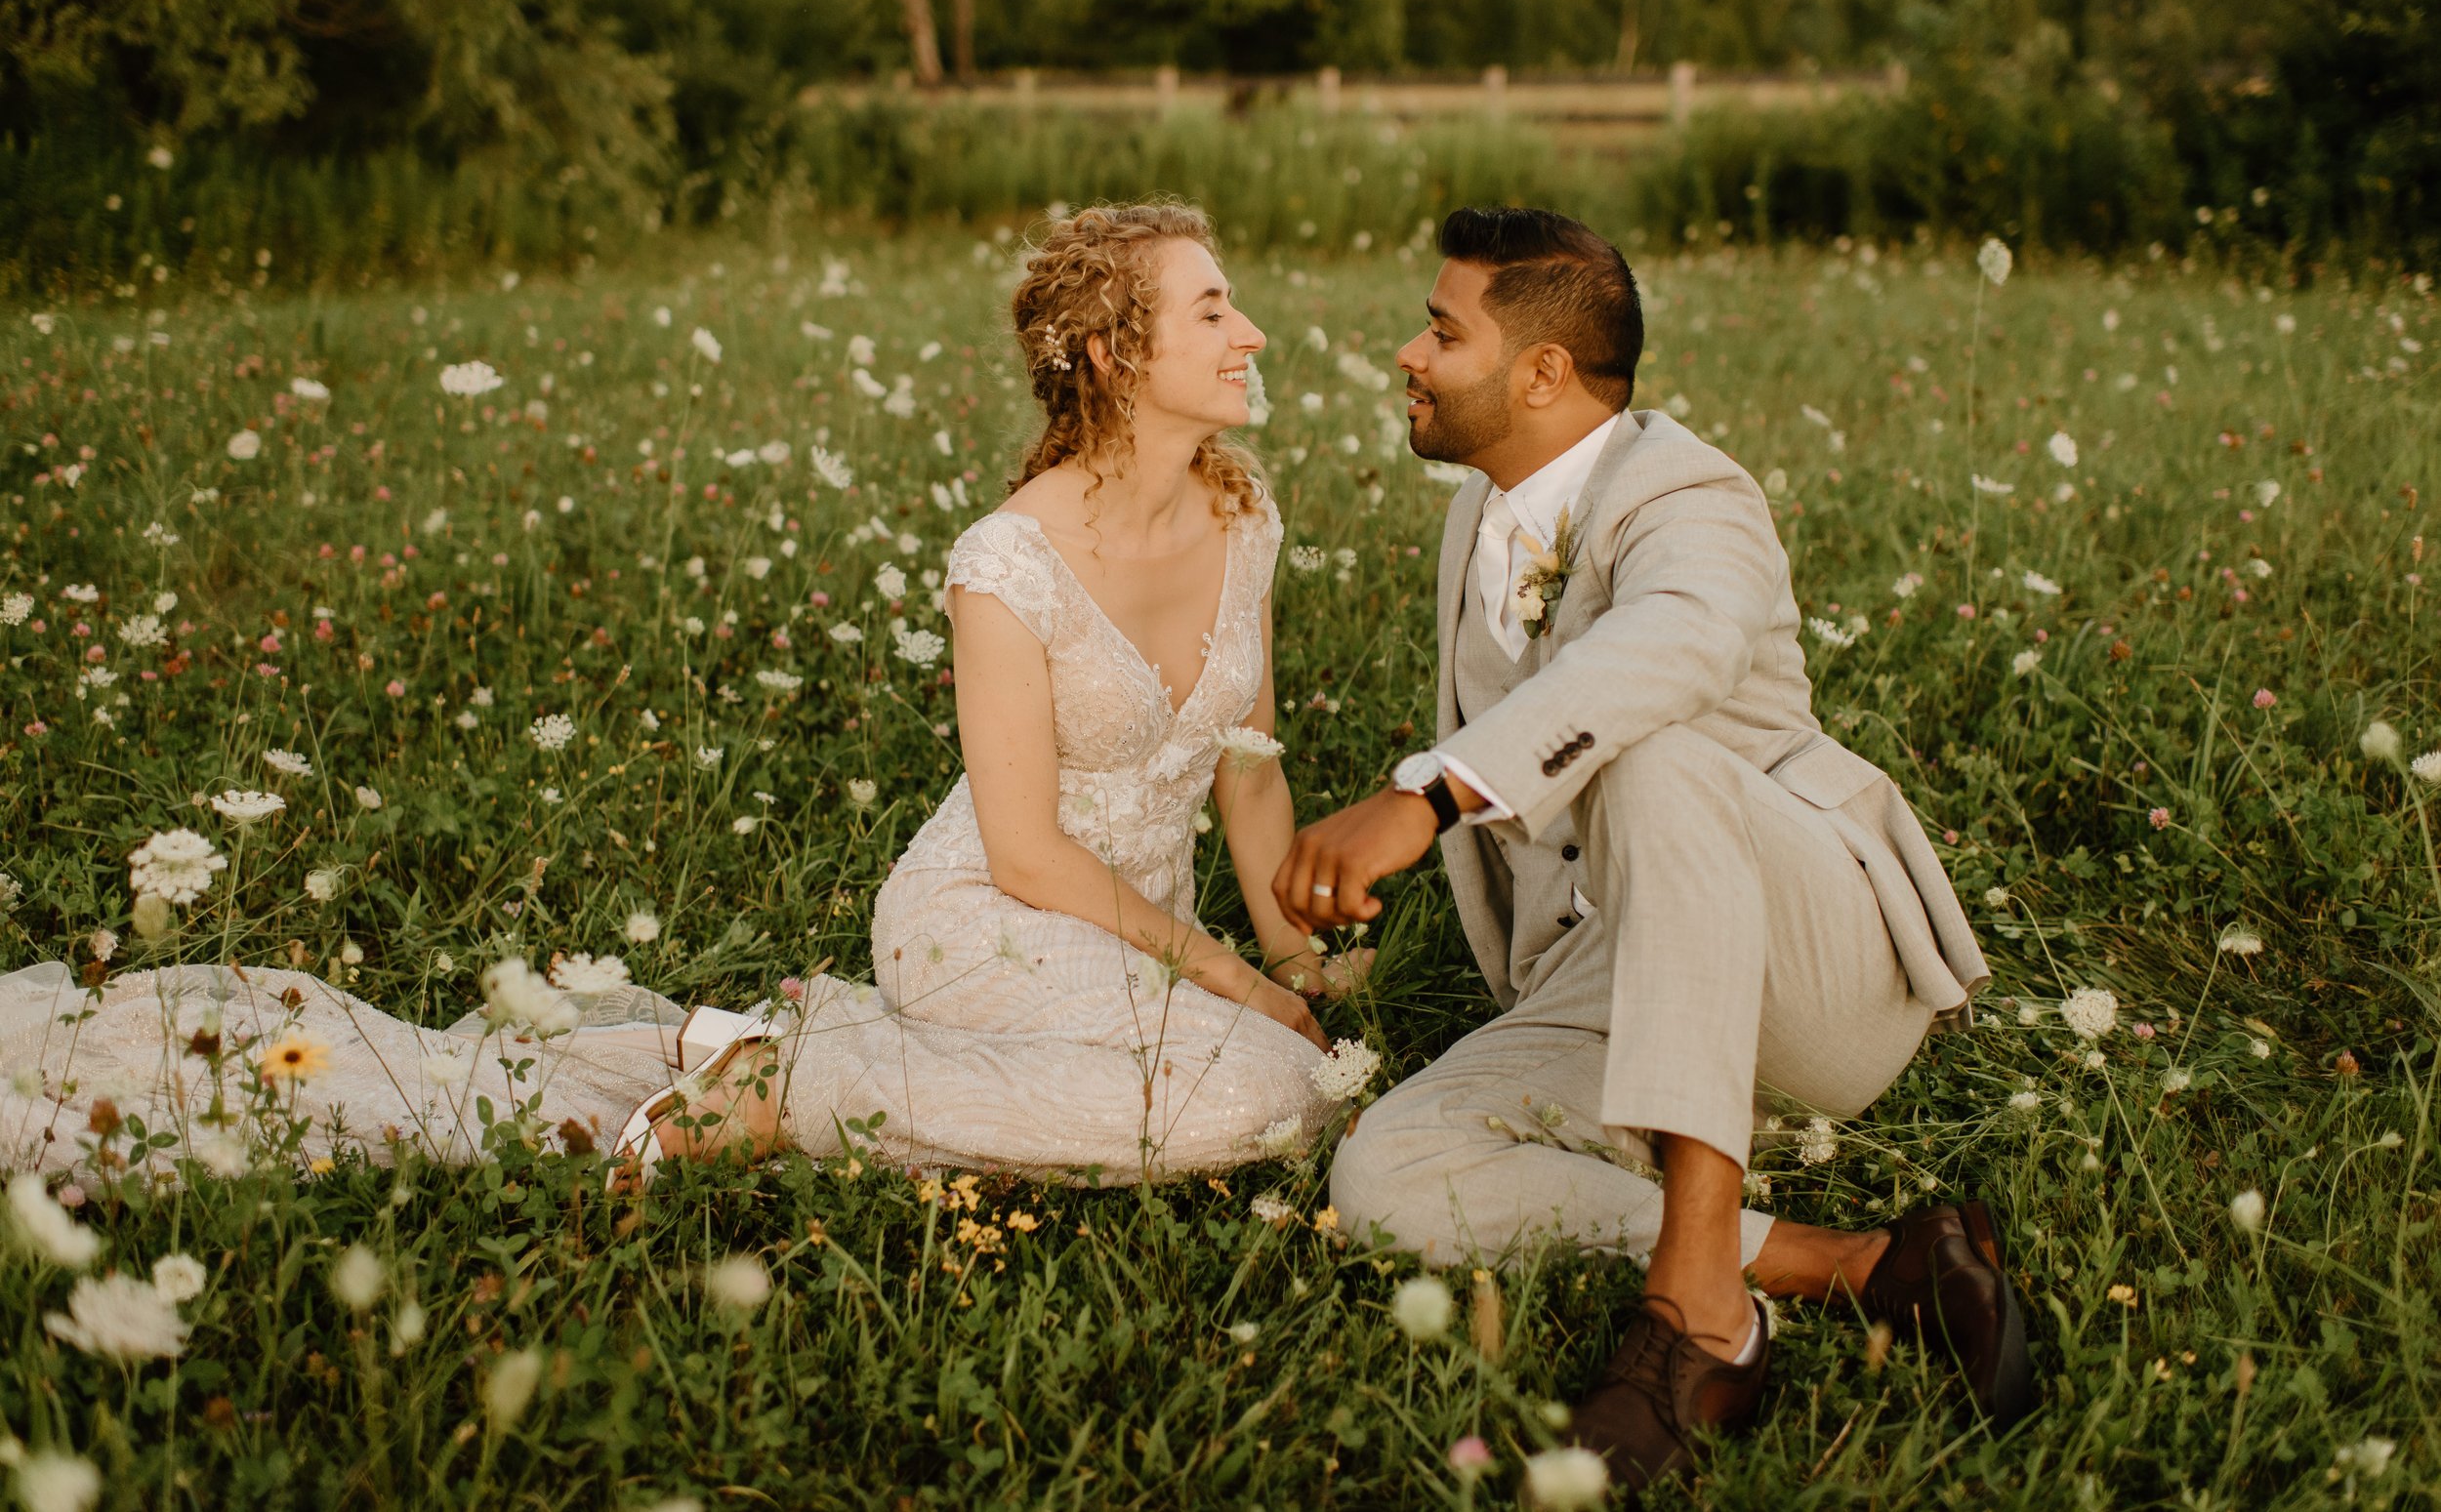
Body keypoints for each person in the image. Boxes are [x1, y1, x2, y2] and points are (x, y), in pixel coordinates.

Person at [0, 201, 1346, 1194]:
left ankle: (798, 1050)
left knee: (1281, 1071)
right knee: (1261, 1095)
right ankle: (792, 1083)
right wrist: (1229, 976)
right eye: (1213, 310)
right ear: (1112, 356)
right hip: (988, 921)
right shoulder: (1007, 560)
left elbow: (1250, 765)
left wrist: (1292, 963)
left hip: (1130, 938)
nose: (1253, 332)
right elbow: (1026, 849)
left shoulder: (1246, 512)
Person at [1273, 207, 2030, 1495]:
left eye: (1441, 329)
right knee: (1388, 1172)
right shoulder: (1481, 508)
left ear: (1543, 373)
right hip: (1611, 971)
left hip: (1815, 968)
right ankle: (1864, 1265)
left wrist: (1428, 794)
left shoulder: (1693, 498)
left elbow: (1666, 648)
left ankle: (1699, 1319)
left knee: (1658, 742)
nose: (1407, 350)